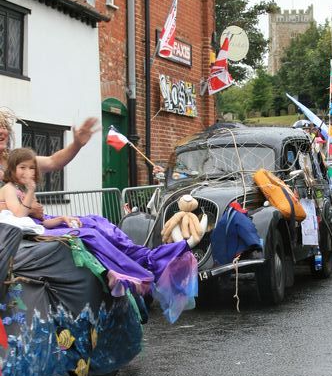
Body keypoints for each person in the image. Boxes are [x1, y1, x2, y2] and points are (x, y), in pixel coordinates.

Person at [0, 148, 197, 323]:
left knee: (97, 222)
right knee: (88, 234)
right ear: (12, 169)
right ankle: (125, 272)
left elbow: (43, 220)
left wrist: (62, 218)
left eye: (31, 168)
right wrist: (32, 196)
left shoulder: (24, 190)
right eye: (22, 168)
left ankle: (147, 260)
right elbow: (19, 215)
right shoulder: (9, 188)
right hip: (24, 232)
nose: (28, 173)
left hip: (38, 226)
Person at [0, 107, 99, 219]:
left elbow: (53, 161)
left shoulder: (17, 160)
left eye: (3, 127)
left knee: (94, 224)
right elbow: (16, 211)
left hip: (32, 225)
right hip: (9, 232)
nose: (1, 131)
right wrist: (29, 209)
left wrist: (76, 144)